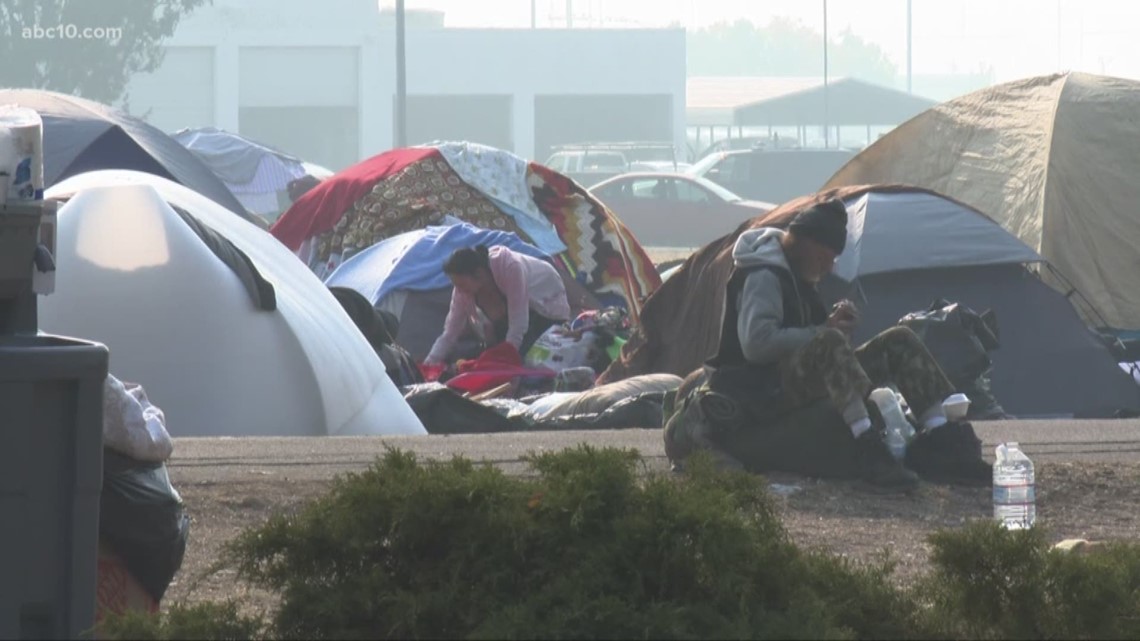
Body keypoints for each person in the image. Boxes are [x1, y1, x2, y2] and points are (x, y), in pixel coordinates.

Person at [665, 198, 989, 488]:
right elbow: (756, 344)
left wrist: (831, 327)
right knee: (829, 340)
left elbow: (809, 337)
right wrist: (822, 332)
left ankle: (940, 437)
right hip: (758, 389)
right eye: (825, 256)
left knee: (899, 341)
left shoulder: (800, 275)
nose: (829, 266)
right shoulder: (764, 275)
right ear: (805, 243)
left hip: (789, 380)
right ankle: (867, 446)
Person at [424, 245, 571, 365]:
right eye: (456, 285)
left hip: (543, 308)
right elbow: (450, 333)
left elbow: (518, 323)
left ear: (479, 273)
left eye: (462, 284)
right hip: (514, 323)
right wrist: (430, 362)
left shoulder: (510, 267)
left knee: (528, 359)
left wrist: (506, 359)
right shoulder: (462, 292)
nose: (460, 290)